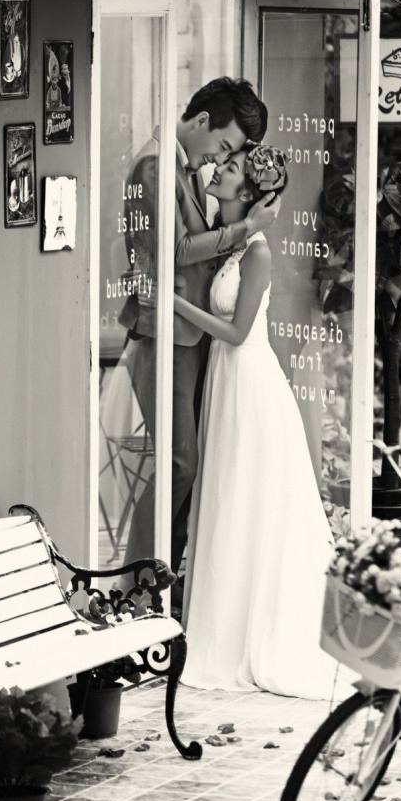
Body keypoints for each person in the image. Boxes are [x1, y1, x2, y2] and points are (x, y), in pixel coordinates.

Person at [176, 144, 353, 700]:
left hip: (250, 382)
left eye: (230, 169)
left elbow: (236, 332)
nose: (219, 169)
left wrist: (175, 305)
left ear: (248, 193)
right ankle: (221, 624)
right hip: (227, 381)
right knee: (228, 496)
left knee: (244, 496)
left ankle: (250, 632)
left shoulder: (257, 253)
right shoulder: (231, 241)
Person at [118, 78, 280, 597]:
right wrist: (243, 229)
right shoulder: (154, 167)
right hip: (167, 334)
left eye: (230, 156)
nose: (220, 159)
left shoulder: (184, 169)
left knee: (189, 468)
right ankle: (136, 585)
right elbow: (172, 251)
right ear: (204, 121)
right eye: (224, 145)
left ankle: (164, 582)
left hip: (193, 338)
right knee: (178, 465)